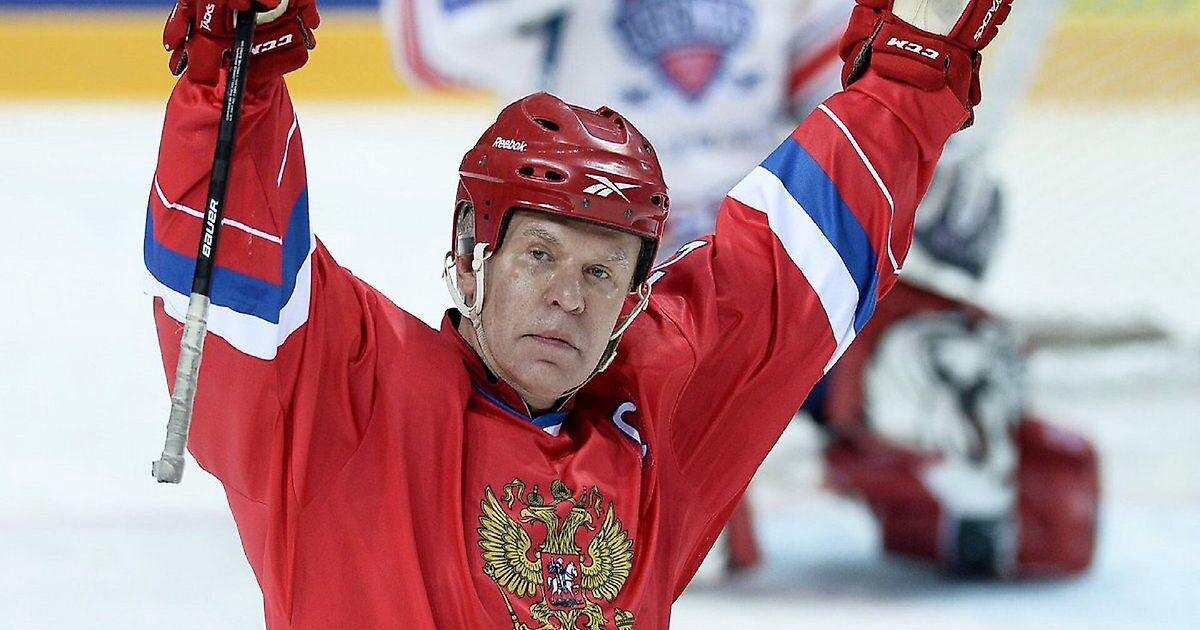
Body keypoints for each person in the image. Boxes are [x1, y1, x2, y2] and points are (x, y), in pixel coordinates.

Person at [147, 0, 1015, 627]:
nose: (569, 295)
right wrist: (233, 84)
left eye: (602, 272)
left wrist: (908, 80)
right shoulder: (348, 397)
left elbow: (787, 270)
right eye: (539, 255)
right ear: (470, 253)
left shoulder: (660, 415)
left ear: (634, 299)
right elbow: (239, 282)